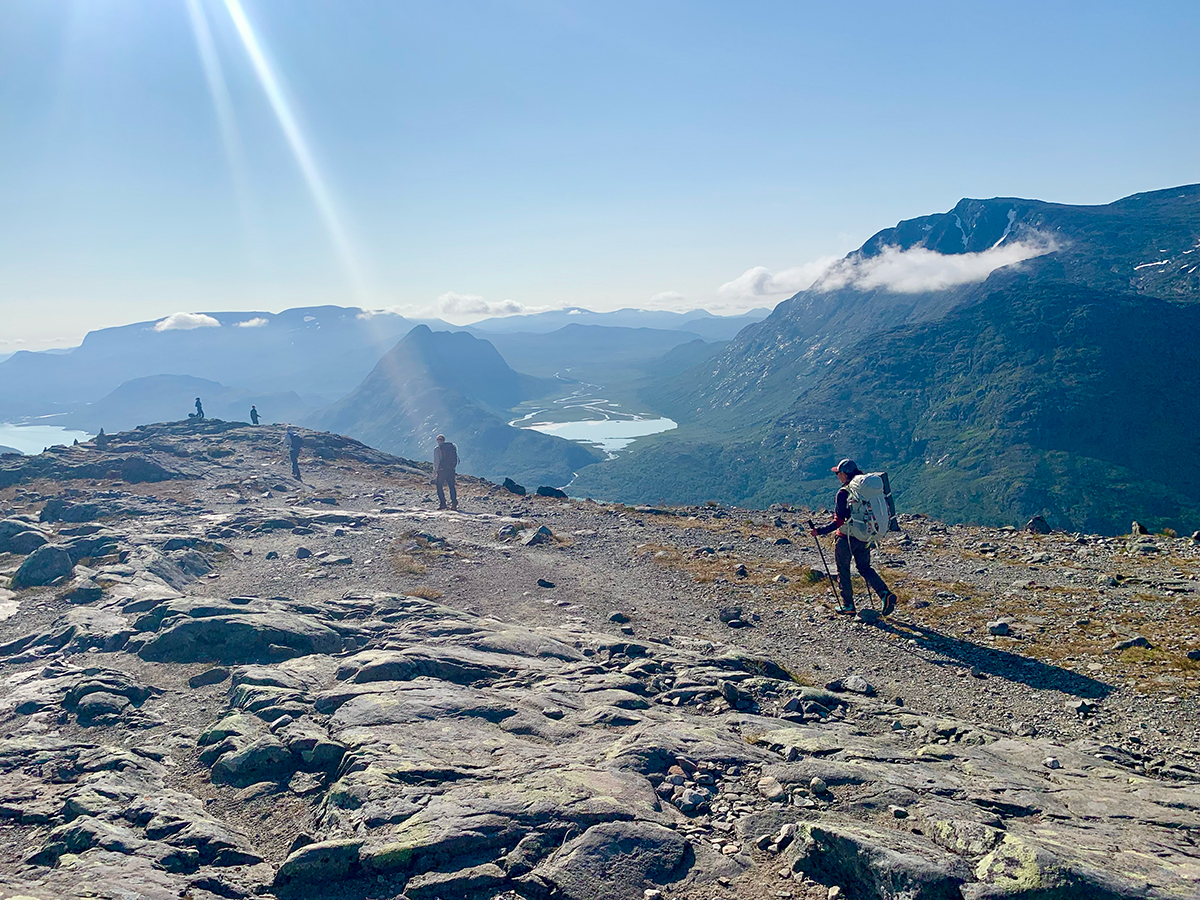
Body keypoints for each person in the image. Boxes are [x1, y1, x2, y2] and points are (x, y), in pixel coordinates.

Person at [810, 458, 897, 616]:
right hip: (865, 536)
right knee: (864, 568)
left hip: (846, 538)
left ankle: (848, 605)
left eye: (838, 474)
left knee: (843, 569)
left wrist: (820, 531)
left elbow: (839, 521)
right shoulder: (865, 492)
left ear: (844, 474)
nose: (837, 476)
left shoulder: (844, 492)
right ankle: (885, 593)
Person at [433, 434, 458, 510]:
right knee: (451, 486)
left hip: (442, 470)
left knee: (439, 486)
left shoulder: (438, 449)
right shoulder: (451, 447)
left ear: (438, 440)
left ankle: (443, 503)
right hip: (451, 470)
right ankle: (454, 503)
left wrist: (436, 470)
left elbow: (437, 461)